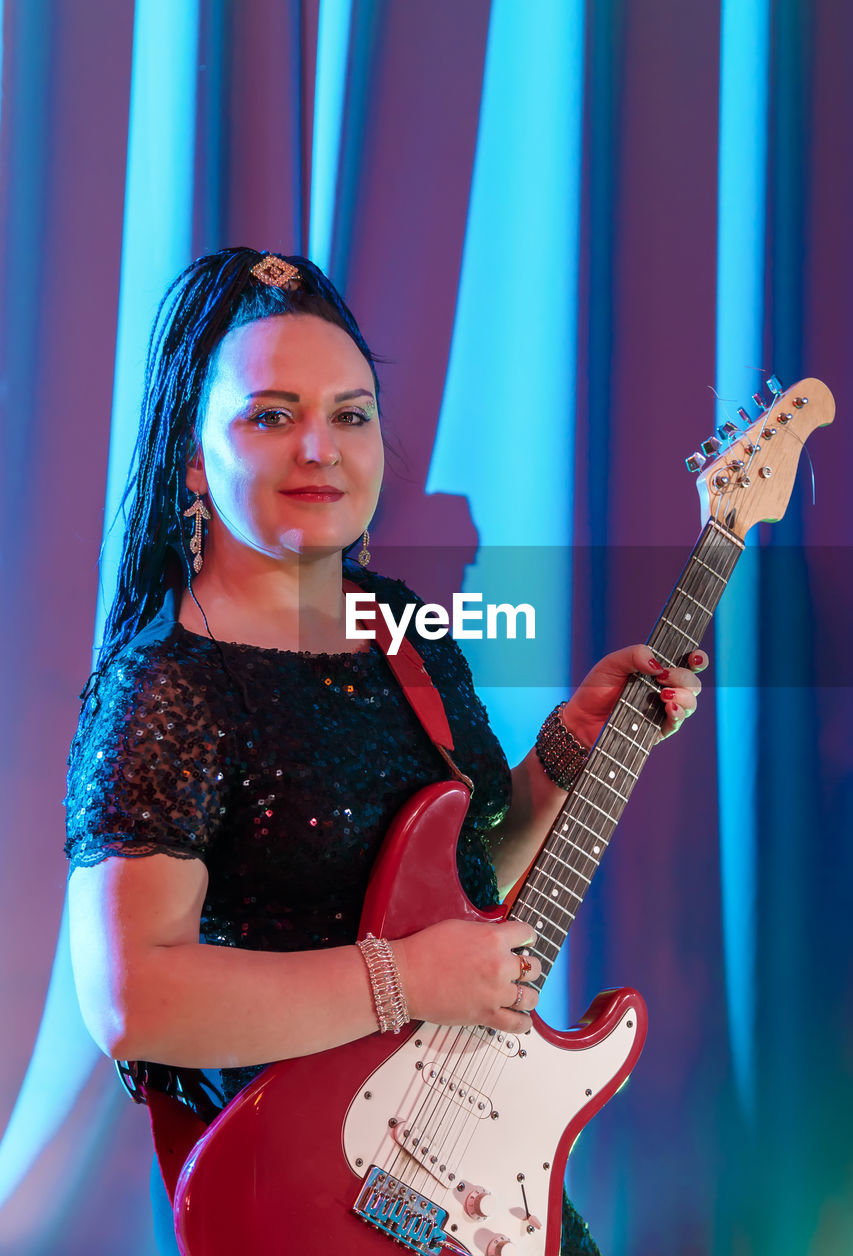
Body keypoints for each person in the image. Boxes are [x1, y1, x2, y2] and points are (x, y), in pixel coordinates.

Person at [64, 247, 706, 1256]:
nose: (320, 447)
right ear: (193, 456)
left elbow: (459, 882)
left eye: (350, 413)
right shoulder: (170, 684)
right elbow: (131, 1000)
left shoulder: (401, 629)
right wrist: (404, 978)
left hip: (468, 1178)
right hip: (316, 1192)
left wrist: (567, 750)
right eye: (271, 415)